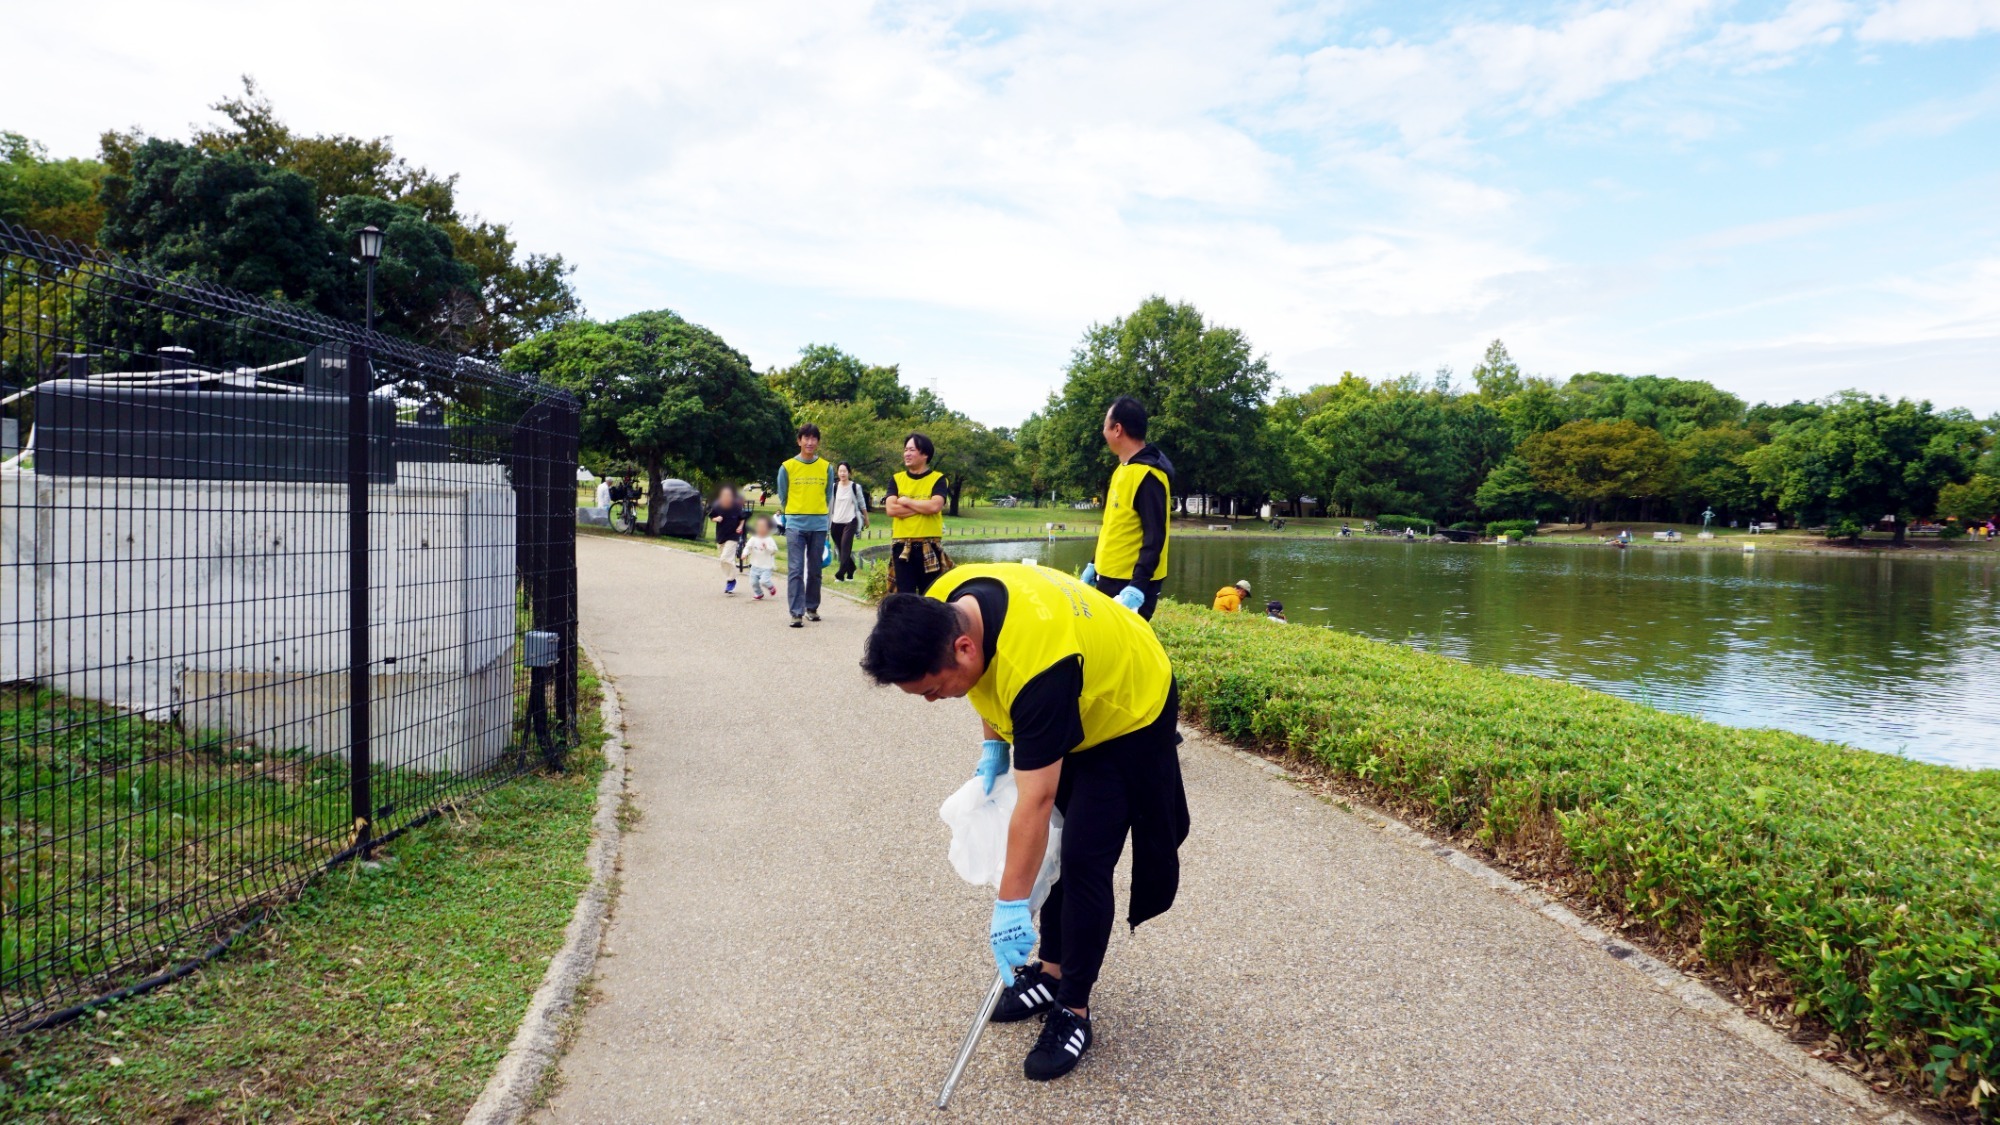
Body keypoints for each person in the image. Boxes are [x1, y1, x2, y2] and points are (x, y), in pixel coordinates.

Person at [860, 564, 1189, 1083]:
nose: (932, 701)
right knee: (1056, 841)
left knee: (1081, 857)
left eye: (931, 690)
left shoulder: (1039, 671)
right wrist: (993, 743)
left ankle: (1073, 1009)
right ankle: (1051, 973)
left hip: (1129, 708)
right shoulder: (945, 603)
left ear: (962, 647)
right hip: (1072, 681)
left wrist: (1011, 907)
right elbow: (987, 682)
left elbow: (1035, 802)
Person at [1078, 396, 1172, 620]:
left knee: (1124, 641)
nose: (1103, 432)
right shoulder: (1122, 469)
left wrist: (1138, 586)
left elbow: (1155, 536)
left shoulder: (1149, 475)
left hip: (1129, 584)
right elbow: (1114, 525)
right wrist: (1094, 563)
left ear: (1117, 429)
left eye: (1105, 426)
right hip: (1108, 576)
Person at [777, 423, 837, 627]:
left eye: (813, 438)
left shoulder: (826, 467)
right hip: (795, 523)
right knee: (795, 569)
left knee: (815, 569)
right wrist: (793, 512)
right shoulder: (787, 467)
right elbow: (783, 495)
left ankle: (812, 607)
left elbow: (827, 495)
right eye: (806, 438)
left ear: (818, 442)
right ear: (799, 441)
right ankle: (796, 612)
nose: (810, 442)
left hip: (818, 524)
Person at [885, 432, 950, 595]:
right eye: (905, 450)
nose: (907, 454)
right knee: (904, 597)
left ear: (925, 454)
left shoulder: (938, 479)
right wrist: (922, 507)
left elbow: (935, 506)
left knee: (930, 596)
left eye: (912, 450)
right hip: (902, 546)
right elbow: (891, 509)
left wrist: (906, 501)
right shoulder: (896, 479)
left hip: (929, 545)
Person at [829, 462, 869, 582]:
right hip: (836, 522)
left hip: (850, 521)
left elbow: (862, 504)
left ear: (849, 472)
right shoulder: (834, 487)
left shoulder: (855, 487)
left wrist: (866, 518)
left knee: (845, 547)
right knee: (841, 549)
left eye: (844, 471)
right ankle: (851, 568)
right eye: (840, 471)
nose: (842, 473)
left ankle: (840, 575)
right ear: (837, 473)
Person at [710, 484, 750, 595]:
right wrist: (716, 519)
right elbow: (711, 517)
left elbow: (742, 518)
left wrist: (740, 526)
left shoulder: (736, 507)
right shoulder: (717, 506)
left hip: (733, 536)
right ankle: (731, 578)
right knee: (724, 560)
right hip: (721, 536)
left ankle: (731, 580)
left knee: (725, 558)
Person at [742, 516, 779, 601]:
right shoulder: (753, 538)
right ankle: (759, 593)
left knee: (764, 581)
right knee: (753, 582)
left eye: (763, 526)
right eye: (759, 526)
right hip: (755, 565)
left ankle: (771, 587)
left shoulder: (769, 539)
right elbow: (748, 547)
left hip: (766, 566)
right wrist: (744, 554)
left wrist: (767, 547)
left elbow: (774, 550)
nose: (761, 529)